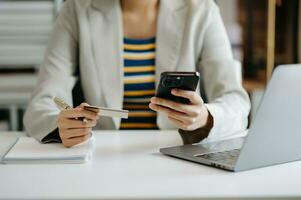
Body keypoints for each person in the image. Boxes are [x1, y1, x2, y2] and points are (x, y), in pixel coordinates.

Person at [24, 0, 250, 147]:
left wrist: (205, 117)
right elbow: (42, 102)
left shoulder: (202, 11)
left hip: (179, 156)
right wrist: (59, 124)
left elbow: (235, 101)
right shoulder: (76, 9)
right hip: (100, 158)